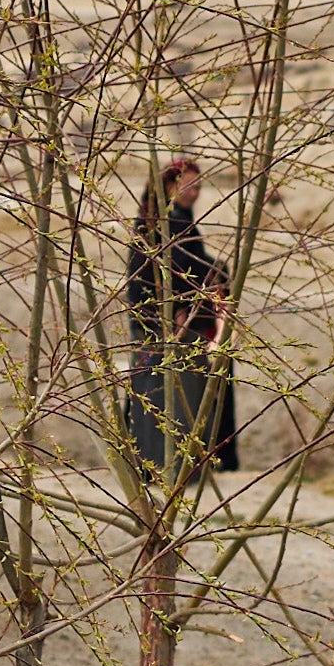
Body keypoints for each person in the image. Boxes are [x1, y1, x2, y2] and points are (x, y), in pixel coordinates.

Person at [125, 156, 240, 491]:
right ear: (169, 186)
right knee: (157, 392)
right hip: (161, 327)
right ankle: (159, 466)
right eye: (188, 185)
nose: (194, 193)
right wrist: (171, 310)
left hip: (178, 326)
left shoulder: (180, 224)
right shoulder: (158, 226)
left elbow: (195, 268)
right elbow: (161, 273)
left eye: (198, 186)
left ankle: (178, 465)